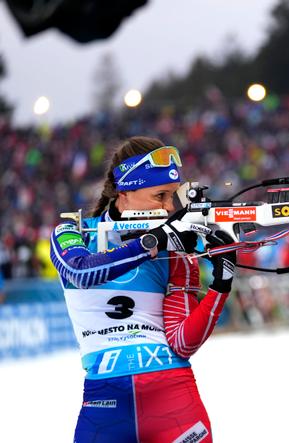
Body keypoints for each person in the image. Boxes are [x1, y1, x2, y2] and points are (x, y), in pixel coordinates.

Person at [50, 136, 236, 442]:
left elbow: (182, 343)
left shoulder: (176, 252)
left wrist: (222, 284)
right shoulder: (73, 232)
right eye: (159, 196)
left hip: (174, 400)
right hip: (105, 406)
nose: (168, 209)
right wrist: (152, 243)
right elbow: (79, 271)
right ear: (125, 191)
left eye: (172, 197)